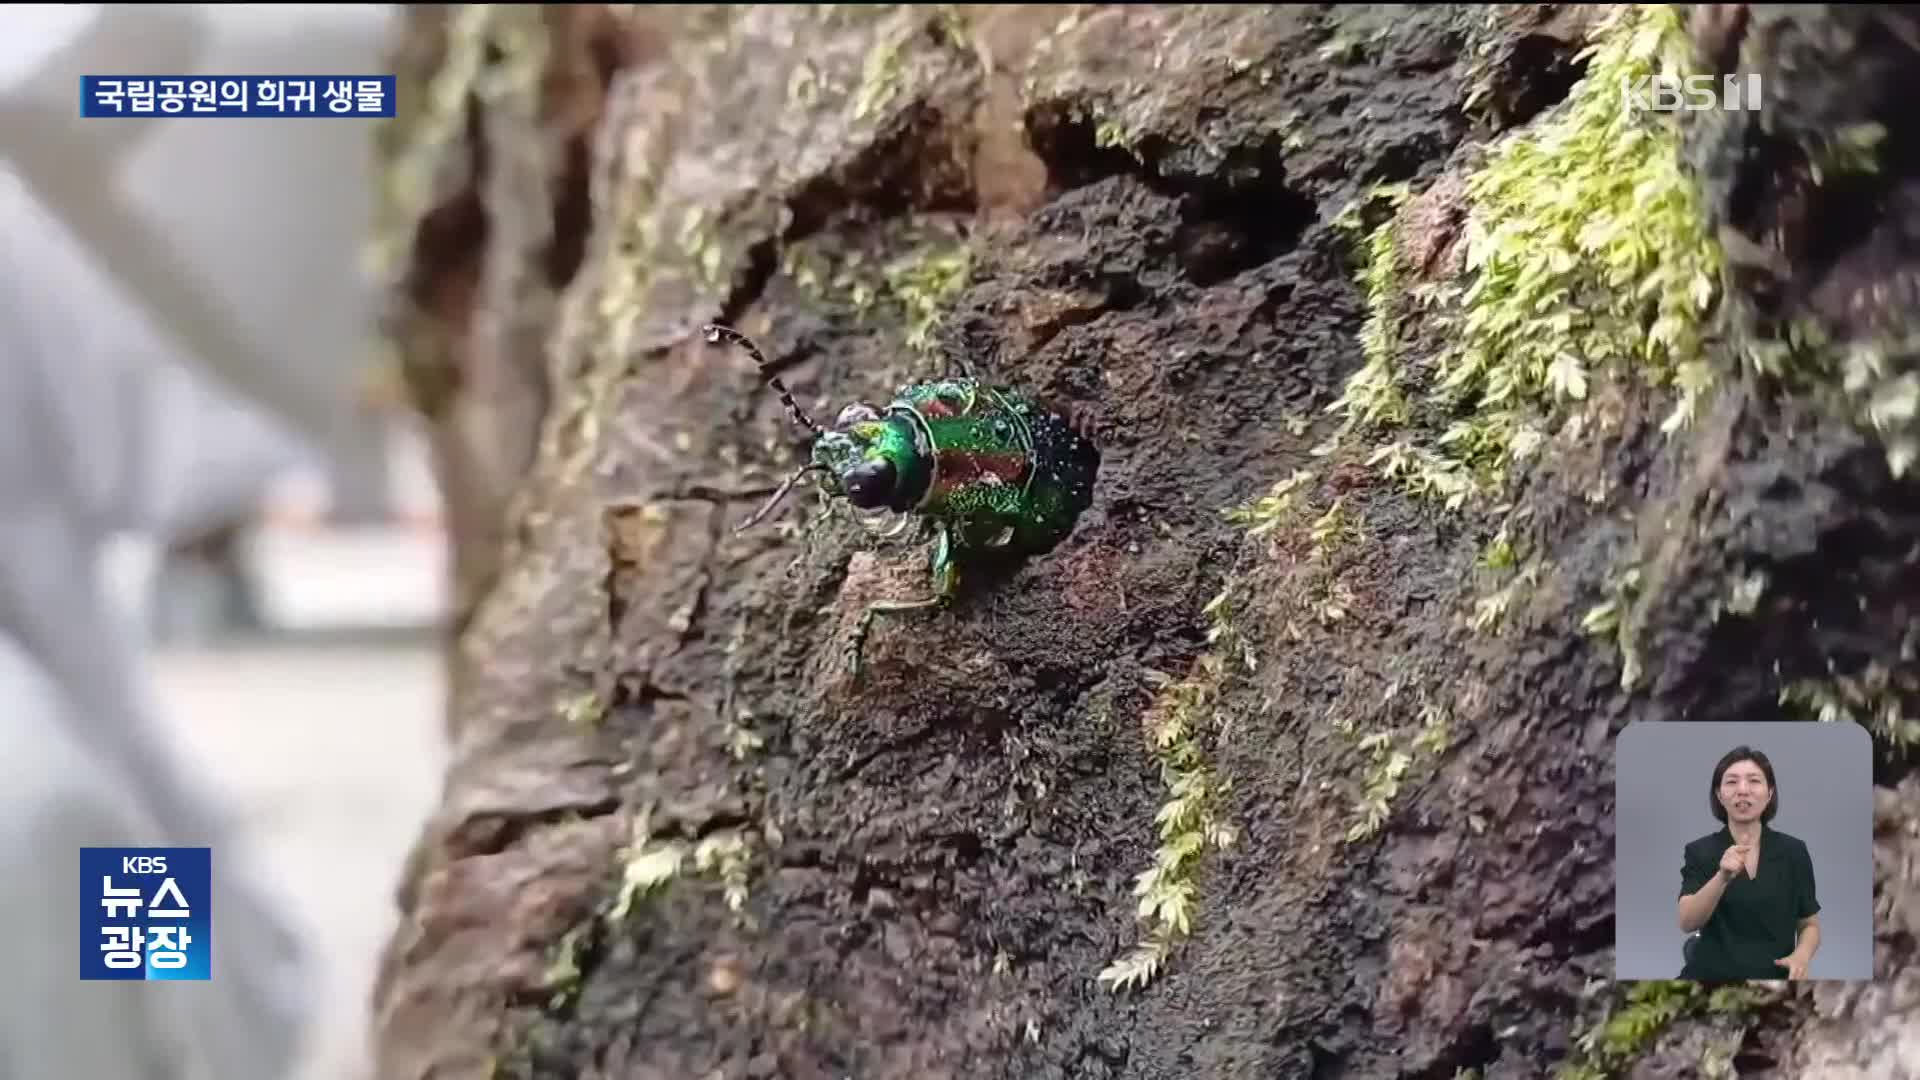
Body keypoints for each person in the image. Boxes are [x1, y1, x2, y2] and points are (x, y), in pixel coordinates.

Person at [1676, 745, 1822, 981]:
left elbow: (1810, 925)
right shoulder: (1700, 851)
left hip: (1772, 980)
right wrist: (1721, 877)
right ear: (1719, 794)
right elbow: (1687, 921)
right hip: (1710, 978)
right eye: (1732, 782)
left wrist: (1801, 956)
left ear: (1770, 792)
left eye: (1754, 781)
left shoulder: (1793, 851)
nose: (1742, 790)